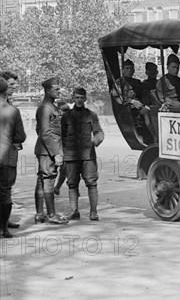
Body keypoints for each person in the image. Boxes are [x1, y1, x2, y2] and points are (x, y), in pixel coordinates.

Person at [61, 87, 104, 221]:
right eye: (76, 98)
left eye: (81, 98)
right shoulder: (66, 116)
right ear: (73, 98)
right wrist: (61, 154)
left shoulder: (91, 115)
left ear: (85, 99)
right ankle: (74, 211)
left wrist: (96, 140)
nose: (79, 100)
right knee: (72, 184)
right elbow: (62, 136)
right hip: (71, 155)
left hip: (87, 155)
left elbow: (98, 131)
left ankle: (93, 212)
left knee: (92, 183)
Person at [34, 77, 68, 224]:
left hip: (46, 148)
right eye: (56, 89)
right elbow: (45, 132)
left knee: (42, 180)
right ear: (48, 91)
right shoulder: (45, 108)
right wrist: (55, 153)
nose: (59, 91)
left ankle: (40, 214)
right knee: (48, 179)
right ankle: (51, 215)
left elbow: (40, 130)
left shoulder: (51, 107)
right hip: (47, 150)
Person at [0, 78, 27, 238]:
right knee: (6, 192)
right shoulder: (12, 110)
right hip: (8, 157)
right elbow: (20, 136)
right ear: (5, 91)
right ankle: (3, 229)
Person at [112, 59, 155, 142]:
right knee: (147, 112)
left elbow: (144, 94)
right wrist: (132, 101)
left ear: (134, 70)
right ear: (123, 70)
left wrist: (145, 104)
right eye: (127, 68)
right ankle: (154, 137)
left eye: (131, 68)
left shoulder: (137, 82)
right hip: (128, 110)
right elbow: (117, 98)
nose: (129, 70)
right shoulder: (118, 83)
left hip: (140, 107)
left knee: (153, 110)